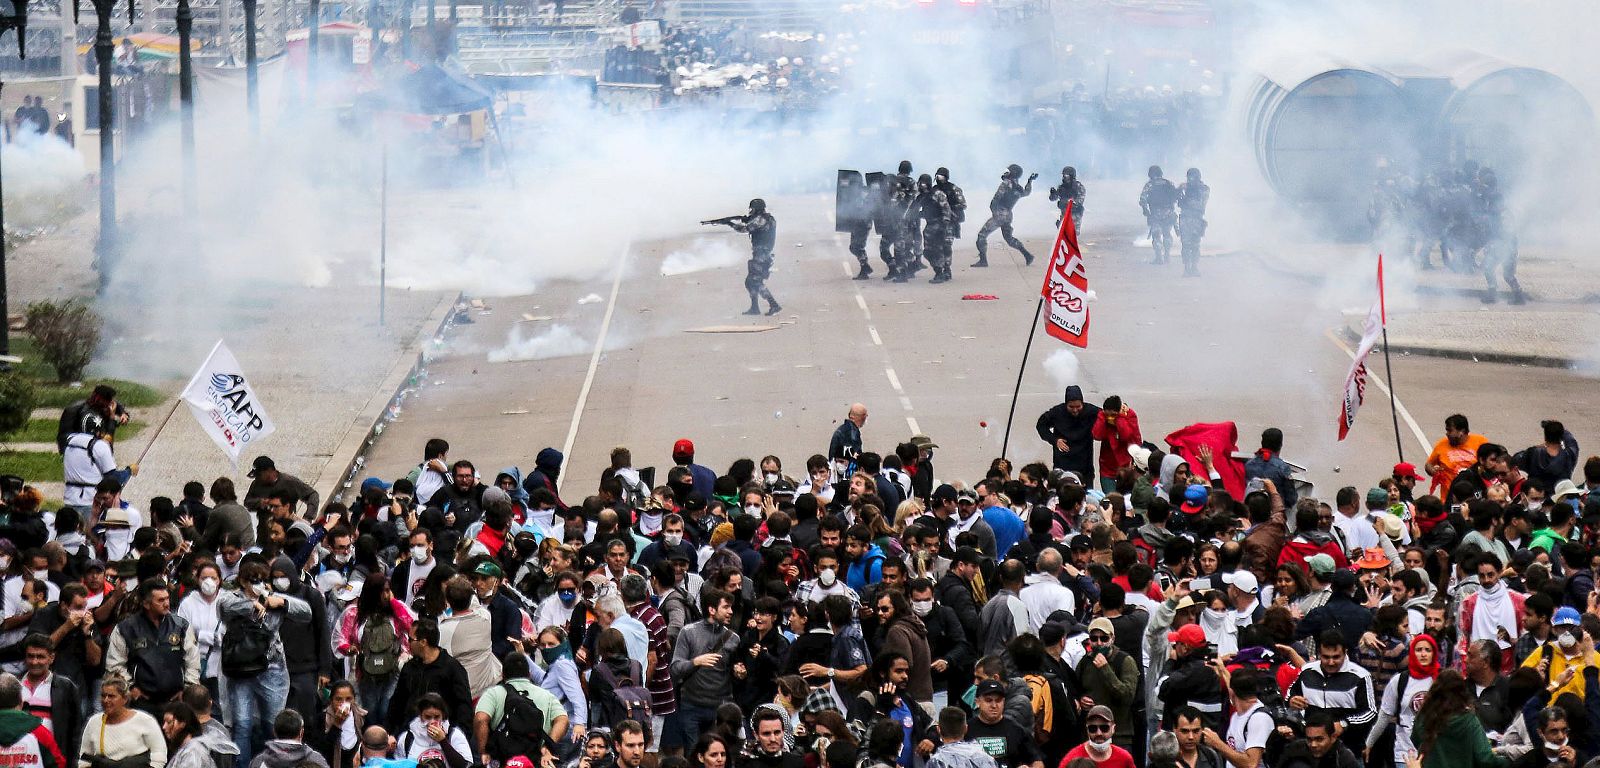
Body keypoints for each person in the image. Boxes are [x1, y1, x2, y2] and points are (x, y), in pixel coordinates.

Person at [105, 578, 199, 714]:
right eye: (160, 600)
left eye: (167, 598)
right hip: (140, 703)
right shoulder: (126, 628)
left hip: (175, 702)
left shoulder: (181, 626)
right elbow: (115, 664)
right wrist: (130, 688)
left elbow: (192, 661)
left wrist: (188, 689)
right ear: (146, 604)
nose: (166, 604)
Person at [473, 652, 567, 763]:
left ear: (503, 674)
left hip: (503, 760)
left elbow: (480, 719)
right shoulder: (546, 695)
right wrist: (547, 746)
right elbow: (563, 720)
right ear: (529, 674)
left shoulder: (493, 693)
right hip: (536, 760)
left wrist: (484, 751)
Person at [387, 619, 472, 735]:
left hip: (441, 735)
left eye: (411, 639)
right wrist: (390, 732)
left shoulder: (452, 669)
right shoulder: (409, 668)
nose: (408, 643)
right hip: (410, 734)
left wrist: (459, 735)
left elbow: (463, 706)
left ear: (423, 642)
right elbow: (397, 702)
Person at [1411, 670, 1506, 768]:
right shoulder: (1469, 721)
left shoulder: (1424, 715)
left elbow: (1415, 740)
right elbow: (1485, 758)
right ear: (1463, 693)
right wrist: (1511, 761)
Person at [708, 198, 780, 316]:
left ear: (756, 209)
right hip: (763, 253)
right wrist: (745, 219)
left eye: (752, 209)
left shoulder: (761, 220)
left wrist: (729, 223)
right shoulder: (769, 218)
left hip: (762, 254)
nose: (751, 211)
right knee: (750, 281)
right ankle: (755, 308)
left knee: (754, 281)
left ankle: (774, 305)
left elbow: (744, 229)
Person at [19, 634, 81, 764]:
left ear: (51, 658)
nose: (35, 661)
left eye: (40, 656)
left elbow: (74, 732)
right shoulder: (14, 685)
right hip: (19, 758)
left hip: (53, 759)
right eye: (30, 656)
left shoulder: (66, 688)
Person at [81, 676, 166, 768]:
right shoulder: (94, 722)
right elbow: (84, 757)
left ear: (125, 699)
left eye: (111, 696)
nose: (106, 700)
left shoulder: (145, 720)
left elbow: (159, 753)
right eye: (103, 696)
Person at [964, 680, 1042, 768]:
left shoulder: (1016, 729)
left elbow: (1037, 761)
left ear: (1004, 701)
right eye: (988, 700)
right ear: (977, 702)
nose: (994, 705)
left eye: (998, 700)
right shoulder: (965, 729)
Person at [973, 164, 1035, 267]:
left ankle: (983, 260)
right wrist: (1030, 181)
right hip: (1008, 215)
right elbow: (1027, 192)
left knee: (982, 235)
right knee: (1009, 239)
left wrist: (994, 211)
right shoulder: (1018, 188)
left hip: (1000, 213)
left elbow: (997, 197)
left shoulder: (1006, 183)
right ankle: (1027, 255)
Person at [1036, 387, 1100, 481]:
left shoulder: (1091, 411)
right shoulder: (1057, 412)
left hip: (1085, 463)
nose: (1075, 410)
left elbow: (1106, 416)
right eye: (1071, 407)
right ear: (1066, 404)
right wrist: (1054, 440)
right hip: (1062, 461)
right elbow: (1041, 426)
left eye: (1078, 407)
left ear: (1082, 403)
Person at [396, 694, 470, 768]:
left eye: (437, 717)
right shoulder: (407, 738)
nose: (432, 721)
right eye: (427, 717)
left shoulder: (454, 734)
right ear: (420, 715)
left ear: (443, 715)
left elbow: (463, 766)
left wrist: (443, 741)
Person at [1277, 711, 1362, 768]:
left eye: (1319, 739)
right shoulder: (1296, 749)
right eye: (1309, 739)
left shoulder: (1344, 758)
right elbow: (1273, 760)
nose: (1313, 744)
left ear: (1332, 737)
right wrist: (1276, 737)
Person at [243, 456, 320, 518]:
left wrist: (308, 516)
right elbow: (247, 502)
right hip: (264, 530)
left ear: (269, 471)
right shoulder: (256, 483)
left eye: (259, 475)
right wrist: (260, 502)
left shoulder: (289, 482)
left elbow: (312, 495)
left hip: (286, 528)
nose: (257, 478)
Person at [1058, 705, 1135, 767]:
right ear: (1087, 729)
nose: (1099, 733)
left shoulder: (1124, 758)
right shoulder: (1072, 759)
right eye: (1093, 728)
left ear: (1113, 728)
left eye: (1104, 728)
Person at [916, 173, 958, 284]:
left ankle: (941, 272)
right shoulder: (922, 196)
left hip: (941, 225)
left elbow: (946, 209)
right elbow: (914, 210)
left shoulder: (938, 194)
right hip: (930, 226)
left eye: (923, 183)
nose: (921, 185)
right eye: (920, 183)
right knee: (928, 252)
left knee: (942, 249)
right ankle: (941, 270)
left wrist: (944, 225)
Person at [1139, 166, 1179, 265]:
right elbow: (1176, 196)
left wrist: (1145, 211)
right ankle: (1167, 256)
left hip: (1155, 214)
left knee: (1156, 236)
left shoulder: (1150, 185)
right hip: (1169, 213)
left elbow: (1143, 199)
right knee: (1167, 234)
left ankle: (1159, 258)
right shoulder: (1169, 183)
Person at [1175, 168, 1210, 277]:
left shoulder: (1203, 188)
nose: (1190, 179)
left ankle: (1194, 267)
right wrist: (1180, 190)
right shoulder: (1184, 188)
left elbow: (1201, 201)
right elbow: (1176, 198)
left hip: (1196, 219)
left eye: (1192, 177)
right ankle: (1187, 268)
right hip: (1185, 219)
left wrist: (1186, 189)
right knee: (1185, 245)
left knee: (1195, 245)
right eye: (1189, 177)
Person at [163, 703, 213, 768]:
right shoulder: (184, 748)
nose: (164, 727)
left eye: (169, 722)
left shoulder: (192, 752)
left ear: (182, 724)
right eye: (164, 722)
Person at [1048, 166, 1085, 230]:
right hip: (1064, 214)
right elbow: (1053, 199)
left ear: (1071, 176)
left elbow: (1079, 201)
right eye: (1063, 175)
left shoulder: (1078, 187)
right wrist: (1053, 194)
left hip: (1075, 214)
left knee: (1073, 232)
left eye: (1066, 175)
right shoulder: (1062, 187)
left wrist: (1066, 201)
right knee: (1062, 230)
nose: (1064, 177)